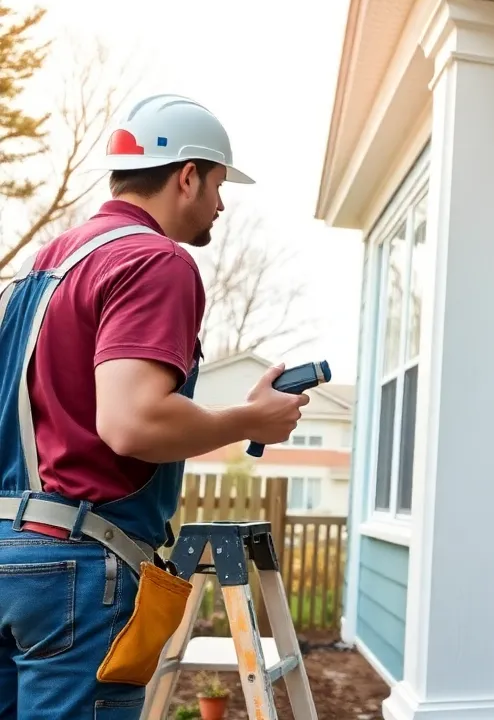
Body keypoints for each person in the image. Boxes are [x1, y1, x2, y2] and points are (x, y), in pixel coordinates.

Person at [0, 93, 310, 719]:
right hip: (78, 566)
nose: (221, 205)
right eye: (220, 185)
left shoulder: (42, 267)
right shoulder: (155, 260)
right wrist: (250, 420)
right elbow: (132, 421)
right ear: (187, 176)